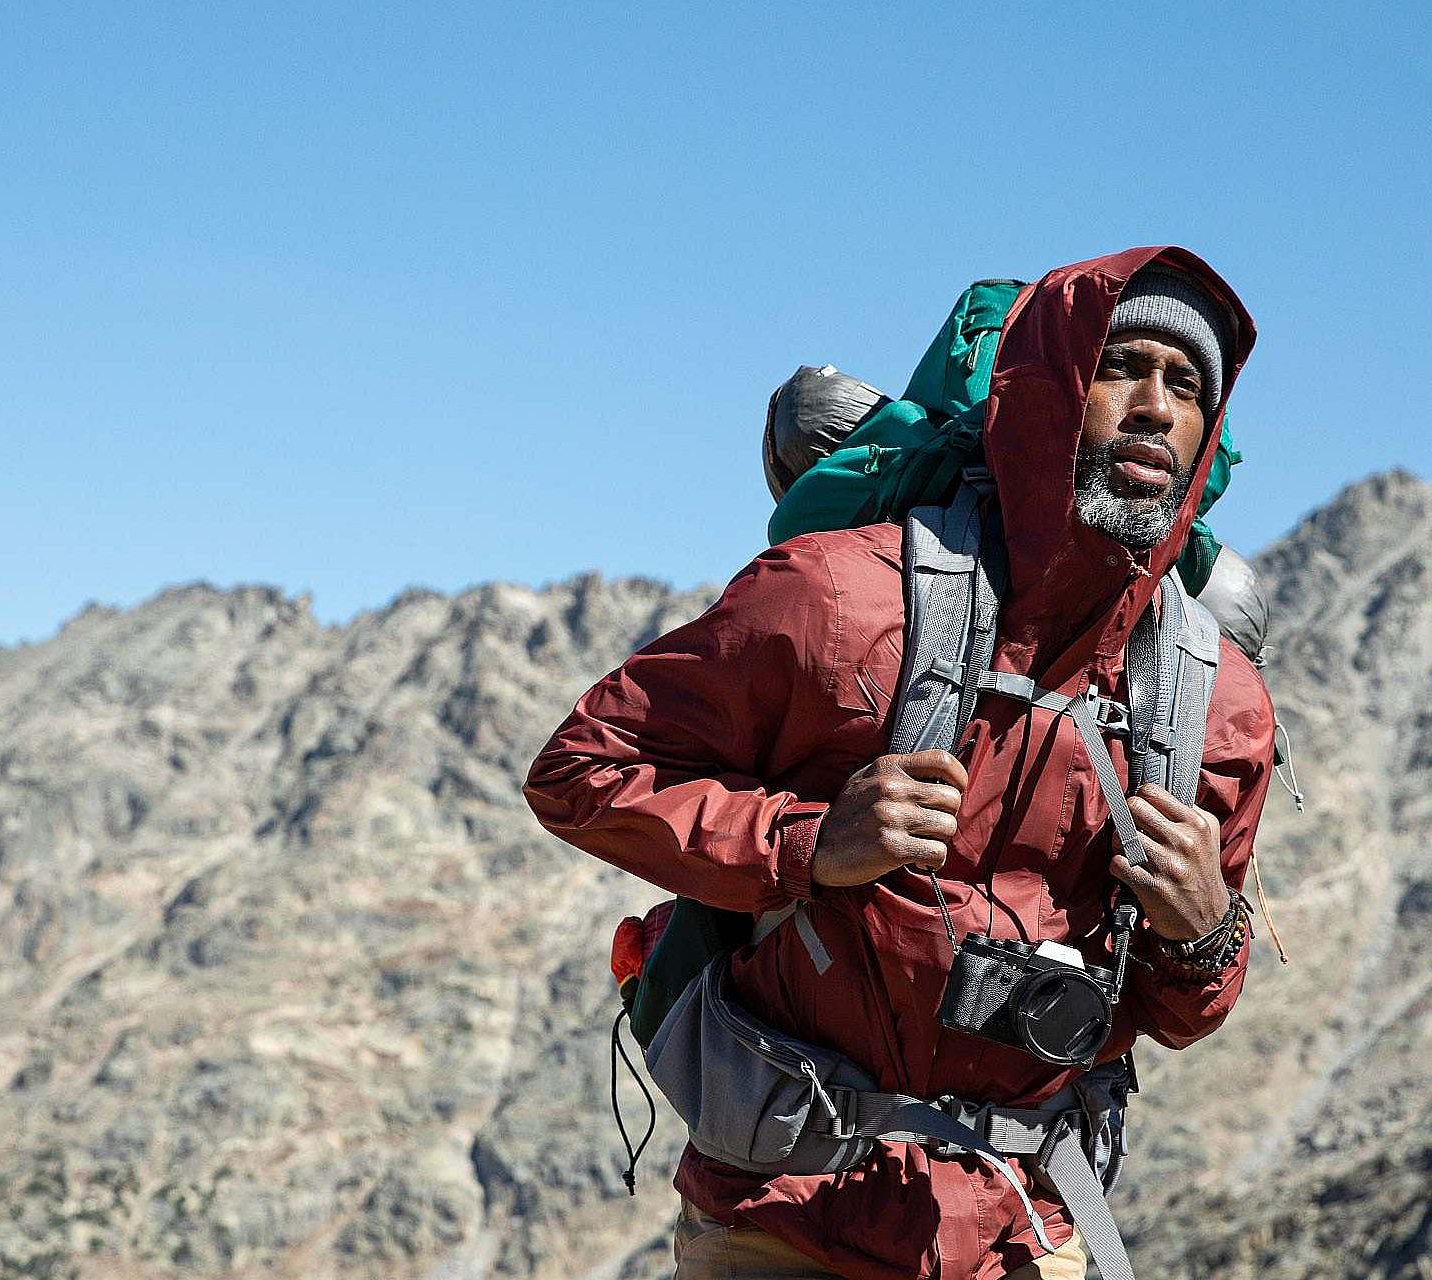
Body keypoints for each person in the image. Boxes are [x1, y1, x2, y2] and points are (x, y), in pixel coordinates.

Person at [524, 246, 1274, 1280]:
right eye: (1121, 366)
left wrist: (1202, 931)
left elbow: (1181, 1012)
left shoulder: (1214, 700)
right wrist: (807, 841)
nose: (1153, 404)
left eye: (1186, 384)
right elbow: (581, 768)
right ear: (1051, 389)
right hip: (787, 1222)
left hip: (1025, 1231)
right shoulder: (838, 598)